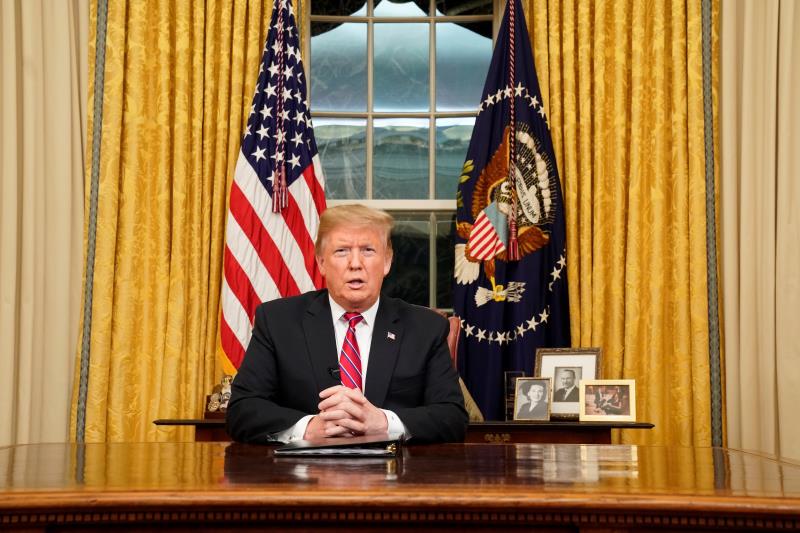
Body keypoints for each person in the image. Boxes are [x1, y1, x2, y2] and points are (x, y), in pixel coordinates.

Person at [226, 204, 468, 444]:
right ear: (321, 262)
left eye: (368, 250)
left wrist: (384, 423)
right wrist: (308, 428)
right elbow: (242, 410)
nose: (355, 263)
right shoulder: (278, 321)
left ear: (387, 261)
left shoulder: (426, 328)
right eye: (342, 251)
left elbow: (452, 417)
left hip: (394, 476)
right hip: (301, 476)